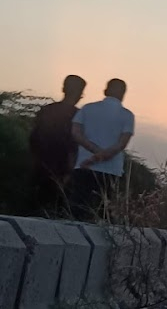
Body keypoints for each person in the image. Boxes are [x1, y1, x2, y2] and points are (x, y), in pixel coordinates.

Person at [68, 79, 135, 220]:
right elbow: (121, 144)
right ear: (123, 94)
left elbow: (75, 133)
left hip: (83, 167)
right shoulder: (127, 116)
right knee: (102, 213)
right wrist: (100, 156)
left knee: (77, 210)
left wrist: (93, 152)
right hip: (110, 171)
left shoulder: (87, 108)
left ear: (105, 91)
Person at [28, 75, 86, 213]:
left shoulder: (47, 110)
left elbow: (33, 138)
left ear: (63, 89)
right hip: (63, 170)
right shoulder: (79, 116)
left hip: (40, 166)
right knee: (58, 211)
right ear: (80, 93)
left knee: (35, 207)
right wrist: (70, 171)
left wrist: (34, 160)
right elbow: (75, 145)